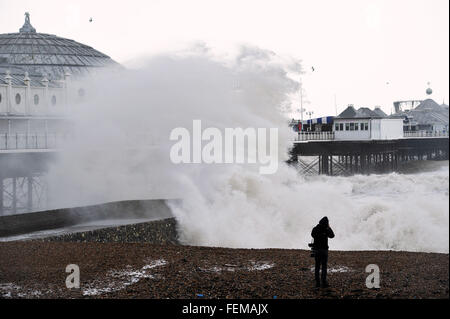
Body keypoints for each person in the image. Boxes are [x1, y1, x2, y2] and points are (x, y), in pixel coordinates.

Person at [311, 216, 335, 288]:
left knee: (317, 266)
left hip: (317, 250)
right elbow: (332, 236)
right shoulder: (326, 229)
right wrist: (329, 227)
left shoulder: (315, 228)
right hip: (324, 250)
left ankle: (317, 283)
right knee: (324, 266)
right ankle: (324, 282)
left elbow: (312, 235)